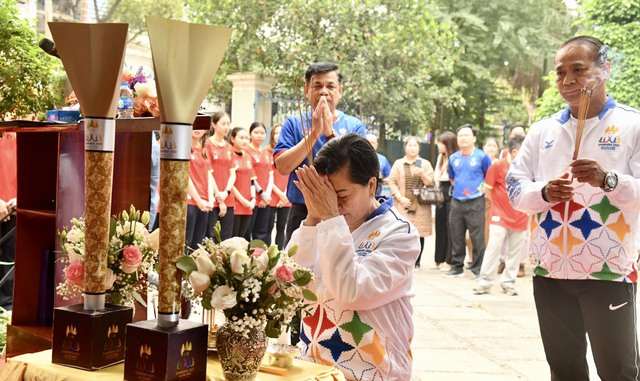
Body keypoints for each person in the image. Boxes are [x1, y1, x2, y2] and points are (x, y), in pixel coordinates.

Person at [507, 35, 640, 380]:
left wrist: (608, 180)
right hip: (550, 271)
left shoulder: (632, 125)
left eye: (578, 70)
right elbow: (515, 187)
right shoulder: (542, 131)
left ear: (604, 70)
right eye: (560, 72)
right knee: (564, 370)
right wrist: (546, 192)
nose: (567, 81)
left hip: (608, 270)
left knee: (618, 370)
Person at [289, 133, 419, 380]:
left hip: (373, 372)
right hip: (314, 368)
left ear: (371, 185)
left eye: (342, 195)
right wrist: (313, 219)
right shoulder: (323, 223)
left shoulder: (399, 233)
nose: (334, 204)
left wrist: (329, 219)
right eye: (326, 194)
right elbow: (292, 285)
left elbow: (352, 292)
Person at [274, 62, 366, 247]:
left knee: (337, 269)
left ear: (340, 91)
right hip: (302, 211)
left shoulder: (354, 126)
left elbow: (359, 168)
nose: (324, 92)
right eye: (317, 86)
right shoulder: (293, 123)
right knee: (296, 270)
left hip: (342, 212)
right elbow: (282, 167)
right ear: (307, 90)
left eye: (330, 86)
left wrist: (330, 133)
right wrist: (314, 134)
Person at [473, 136, 527, 296]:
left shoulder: (529, 168)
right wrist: (497, 205)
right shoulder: (497, 166)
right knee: (493, 249)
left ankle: (508, 283)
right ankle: (484, 282)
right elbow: (488, 189)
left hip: (521, 217)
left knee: (514, 253)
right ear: (515, 151)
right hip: (499, 216)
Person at [443, 124, 492, 278]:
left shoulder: (482, 156)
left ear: (474, 139)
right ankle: (457, 267)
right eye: (461, 136)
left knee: (477, 237)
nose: (463, 138)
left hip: (476, 201)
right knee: (456, 235)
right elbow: (451, 177)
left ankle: (478, 269)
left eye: (467, 135)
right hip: (457, 201)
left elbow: (488, 176)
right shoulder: (453, 158)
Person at [387, 136, 434, 270]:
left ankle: (417, 262)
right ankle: (401, 260)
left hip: (420, 205)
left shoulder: (424, 164)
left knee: (419, 233)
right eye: (410, 145)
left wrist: (422, 174)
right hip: (403, 204)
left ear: (419, 148)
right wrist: (399, 197)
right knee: (402, 232)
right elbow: (391, 181)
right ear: (405, 147)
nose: (412, 148)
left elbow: (431, 182)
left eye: (415, 145)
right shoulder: (398, 163)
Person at [204, 111, 236, 240]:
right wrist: (219, 197)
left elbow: (232, 173)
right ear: (214, 125)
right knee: (211, 237)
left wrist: (226, 192)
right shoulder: (207, 144)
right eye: (223, 124)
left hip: (228, 197)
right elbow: (209, 172)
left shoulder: (229, 147)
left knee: (226, 238)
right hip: (213, 197)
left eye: (228, 124)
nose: (226, 127)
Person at [185, 128, 217, 250]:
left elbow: (209, 175)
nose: (197, 129)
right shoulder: (184, 147)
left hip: (205, 203)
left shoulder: (203, 150)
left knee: (198, 244)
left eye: (201, 127)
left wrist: (210, 199)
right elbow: (185, 176)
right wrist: (198, 200)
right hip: (191, 201)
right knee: (187, 241)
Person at [244, 122, 273, 243]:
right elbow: (251, 176)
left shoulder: (266, 151)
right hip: (252, 196)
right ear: (250, 134)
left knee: (262, 231)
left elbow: (271, 174)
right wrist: (261, 193)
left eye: (262, 133)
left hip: (265, 198)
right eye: (256, 132)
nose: (259, 135)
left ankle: (259, 257)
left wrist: (267, 194)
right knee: (247, 230)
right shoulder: (246, 150)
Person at [433, 131, 458, 271]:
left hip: (451, 190)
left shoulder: (455, 158)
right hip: (440, 190)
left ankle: (449, 260)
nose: (438, 145)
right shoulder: (441, 157)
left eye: (441, 143)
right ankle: (438, 259)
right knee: (440, 224)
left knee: (450, 226)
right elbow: (437, 174)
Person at [266, 124, 290, 250]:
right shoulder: (267, 152)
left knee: (281, 228)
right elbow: (267, 176)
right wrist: (279, 193)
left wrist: (284, 194)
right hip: (271, 195)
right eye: (276, 133)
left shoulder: (290, 152)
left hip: (286, 196)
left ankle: (279, 254)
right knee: (268, 227)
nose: (278, 136)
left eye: (281, 133)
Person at [229, 127, 256, 238]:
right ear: (232, 139)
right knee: (233, 238)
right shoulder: (230, 155)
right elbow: (230, 182)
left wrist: (253, 199)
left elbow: (252, 180)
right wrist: (242, 200)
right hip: (235, 202)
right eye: (241, 138)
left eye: (246, 138)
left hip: (248, 204)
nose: (245, 141)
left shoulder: (248, 157)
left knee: (242, 237)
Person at [0, 132, 17, 310]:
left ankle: (6, 310)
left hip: (14, 210)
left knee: (9, 261)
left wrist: (20, 198)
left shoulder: (16, 137)